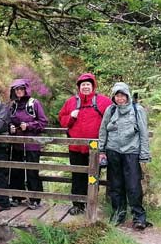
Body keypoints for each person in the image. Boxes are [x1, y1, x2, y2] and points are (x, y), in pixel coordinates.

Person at [99, 82, 151, 229]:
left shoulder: (137, 110)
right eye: (117, 95)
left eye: (122, 95)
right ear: (113, 96)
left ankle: (139, 218)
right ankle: (118, 214)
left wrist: (144, 154)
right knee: (115, 185)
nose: (120, 98)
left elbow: (143, 133)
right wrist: (101, 151)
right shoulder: (110, 110)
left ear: (127, 95)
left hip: (131, 152)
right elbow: (103, 131)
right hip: (112, 151)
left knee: (133, 185)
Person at [59, 73, 112, 215]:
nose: (85, 87)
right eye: (83, 85)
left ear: (93, 86)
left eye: (88, 84)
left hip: (95, 148)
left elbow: (113, 119)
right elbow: (62, 120)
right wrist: (71, 117)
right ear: (79, 87)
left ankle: (91, 203)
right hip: (75, 146)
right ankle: (77, 204)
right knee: (77, 175)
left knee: (93, 176)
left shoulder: (104, 102)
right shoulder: (71, 102)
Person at [8, 79, 48, 209]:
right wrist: (11, 128)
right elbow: (8, 122)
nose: (19, 91)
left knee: (32, 171)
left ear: (26, 89)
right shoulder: (13, 105)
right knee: (16, 171)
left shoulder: (34, 103)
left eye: (21, 89)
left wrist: (29, 126)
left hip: (32, 144)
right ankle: (16, 197)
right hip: (17, 144)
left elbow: (43, 122)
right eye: (16, 89)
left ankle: (35, 199)